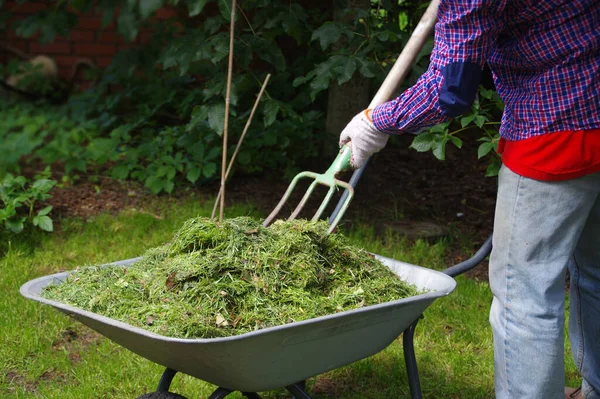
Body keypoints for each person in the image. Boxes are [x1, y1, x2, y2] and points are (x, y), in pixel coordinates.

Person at [339, 1, 600, 398]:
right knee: (596, 274)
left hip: (556, 127)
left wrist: (377, 122)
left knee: (524, 294)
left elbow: (449, 88)